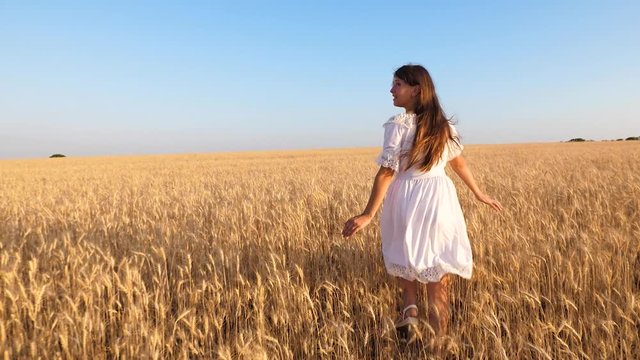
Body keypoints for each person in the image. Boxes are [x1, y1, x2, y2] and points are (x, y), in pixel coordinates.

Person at [341, 64, 503, 336]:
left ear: (416, 90)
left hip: (405, 198)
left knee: (407, 264)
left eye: (397, 85)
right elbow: (459, 164)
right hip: (439, 199)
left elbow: (387, 171)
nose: (391, 90)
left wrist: (368, 213)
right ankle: (437, 346)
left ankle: (410, 319)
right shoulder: (444, 125)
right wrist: (478, 193)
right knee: (437, 273)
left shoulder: (398, 125)